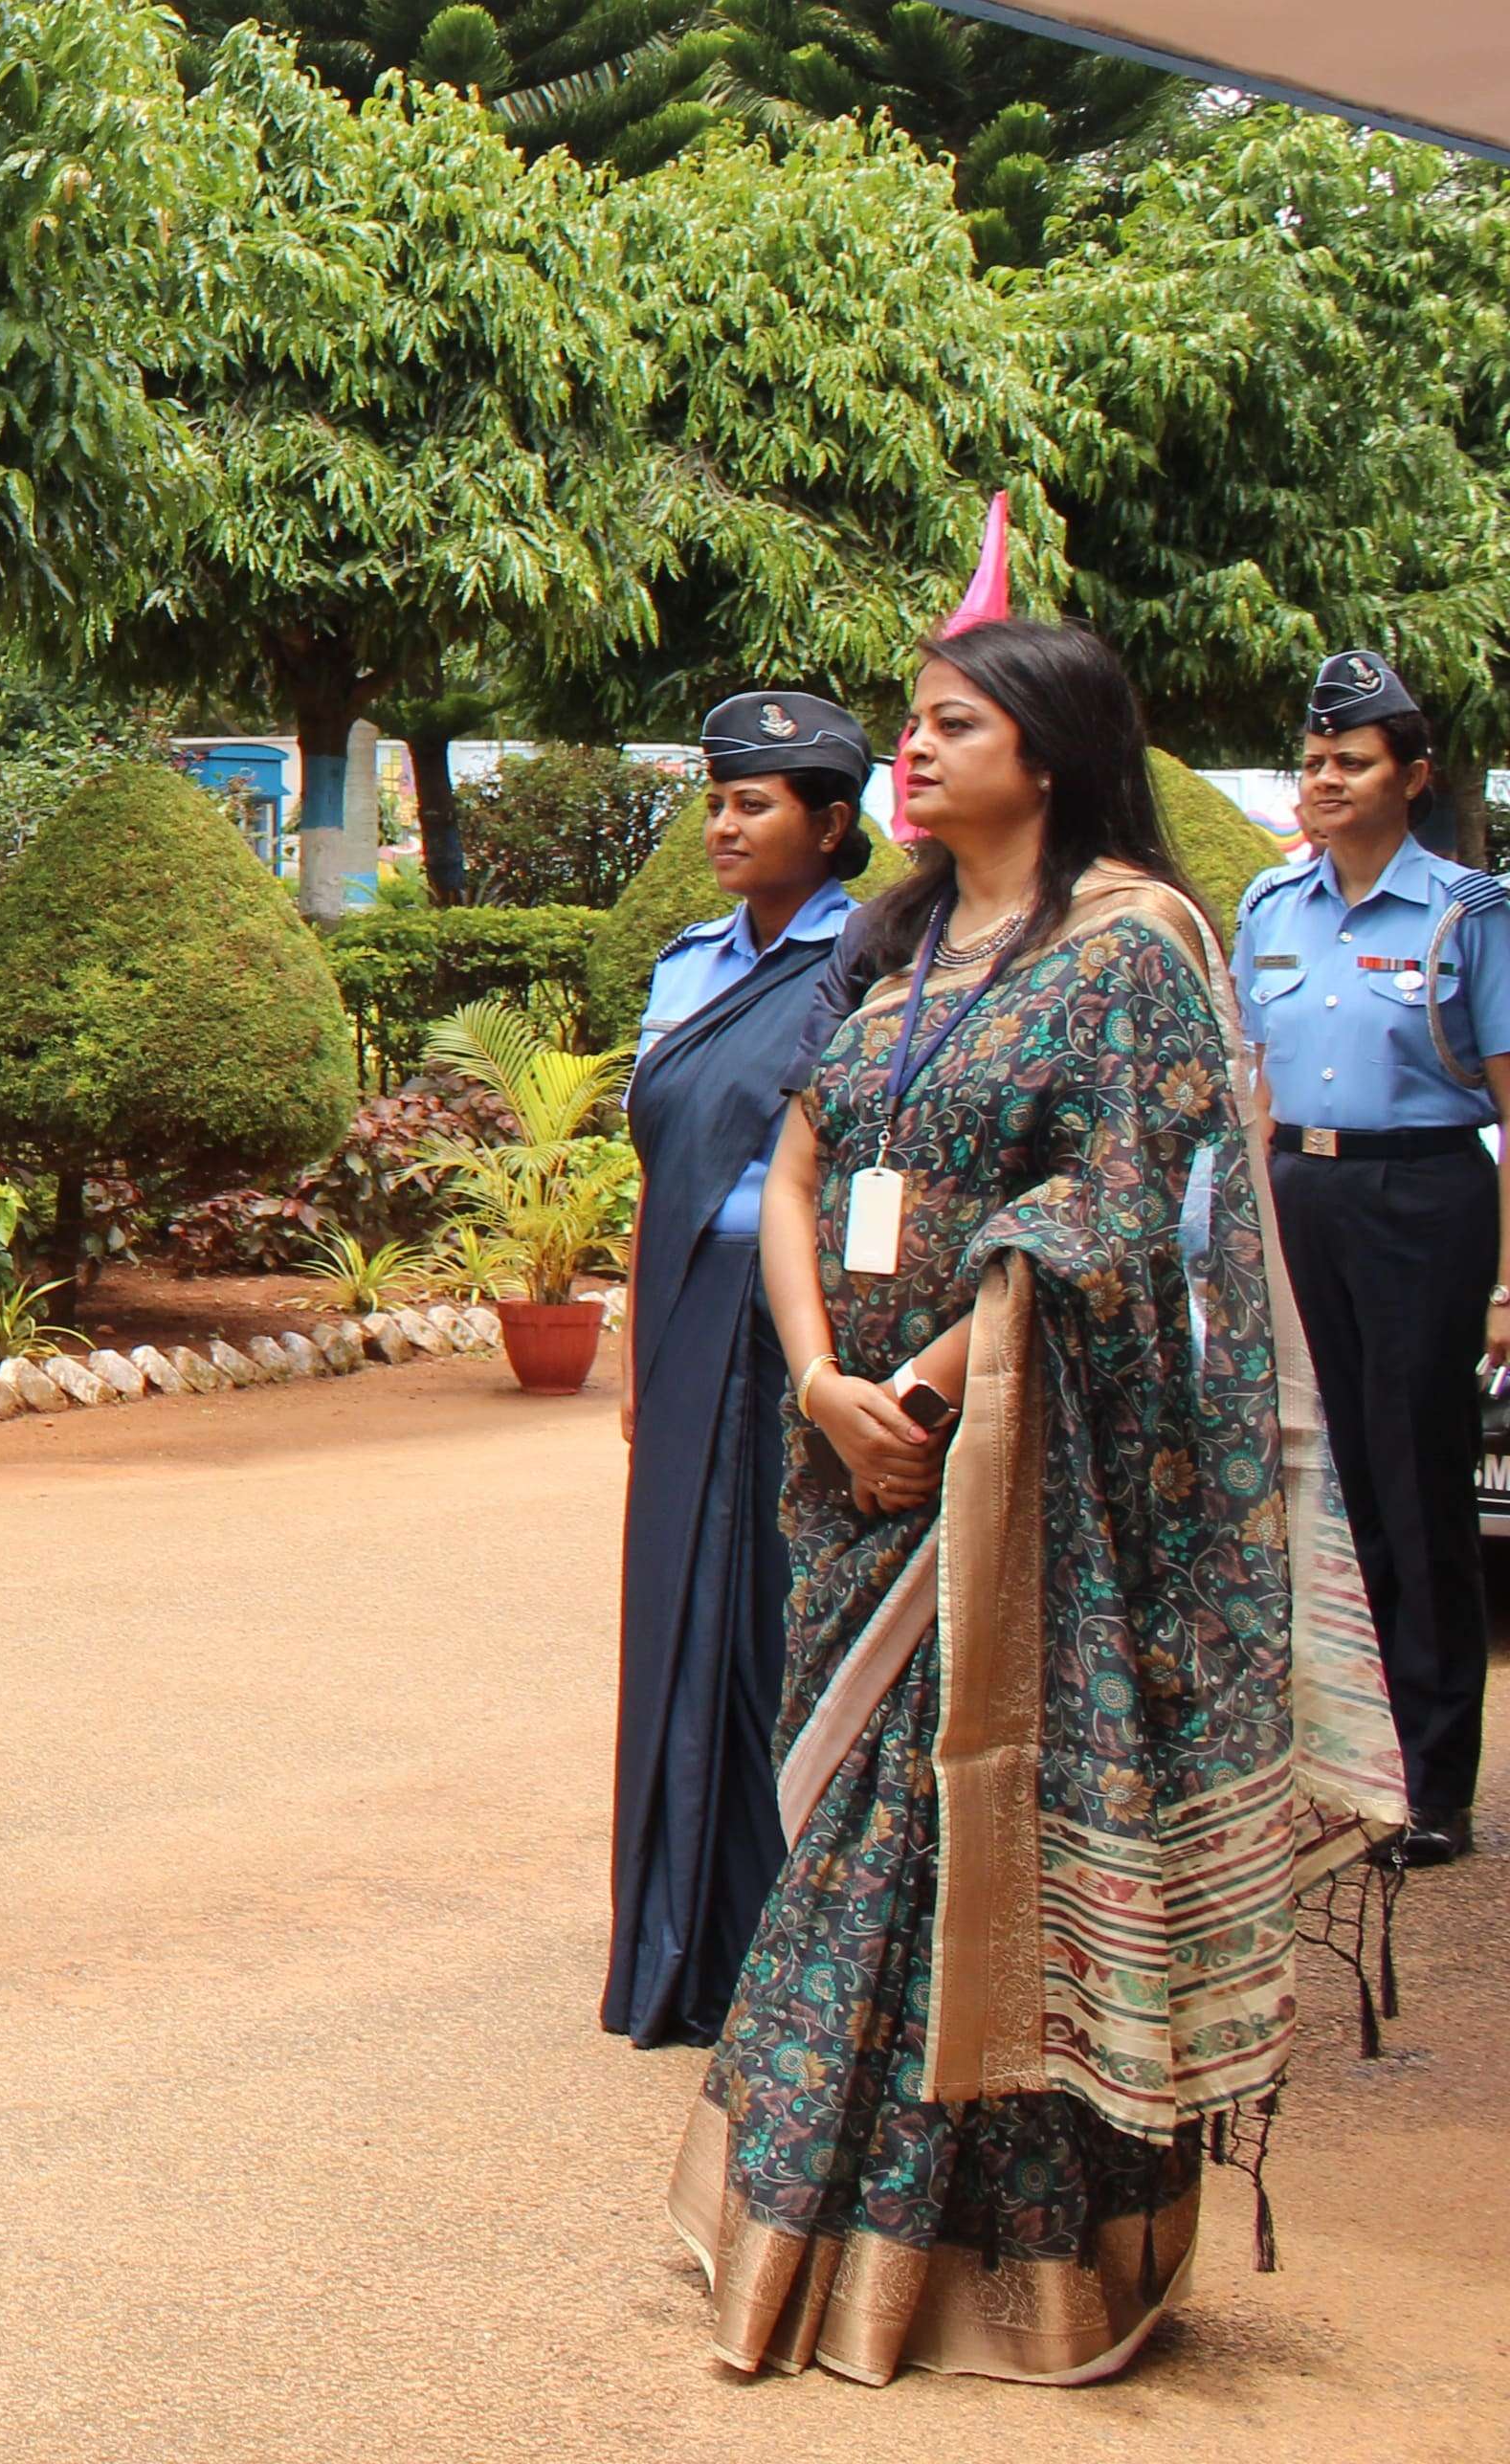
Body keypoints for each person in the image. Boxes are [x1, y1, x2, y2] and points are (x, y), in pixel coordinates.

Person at [681, 619, 1405, 2386]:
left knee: (944, 1847)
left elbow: (1112, 1205)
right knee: (852, 1826)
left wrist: (917, 1388)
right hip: (845, 1463)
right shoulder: (894, 938)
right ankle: (808, 2239)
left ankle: (1002, 2270)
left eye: (946, 729)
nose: (907, 758)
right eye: (910, 729)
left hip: (1008, 1479)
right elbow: (795, 1161)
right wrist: (814, 1379)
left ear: (1049, 752)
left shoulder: (1135, 943)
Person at [606, 690, 875, 2049]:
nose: (722, 821)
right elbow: (660, 1168)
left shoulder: (873, 964)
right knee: (675, 1625)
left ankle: (788, 1946)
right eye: (715, 798)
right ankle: (672, 1945)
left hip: (810, 1321)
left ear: (831, 826)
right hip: (687, 1306)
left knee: (784, 1619)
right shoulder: (685, 968)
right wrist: (638, 1351)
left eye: (753, 802)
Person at [1232, 649, 1497, 1869]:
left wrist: (1505, 1283)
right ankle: (1336, 1764)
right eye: (1315, 761)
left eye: (1352, 762)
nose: (1325, 781)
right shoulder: (1268, 909)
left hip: (1421, 1198)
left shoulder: (1467, 914)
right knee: (1311, 1481)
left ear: (1414, 775)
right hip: (1298, 1193)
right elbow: (1245, 1082)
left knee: (1411, 1481)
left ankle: (1430, 1782)